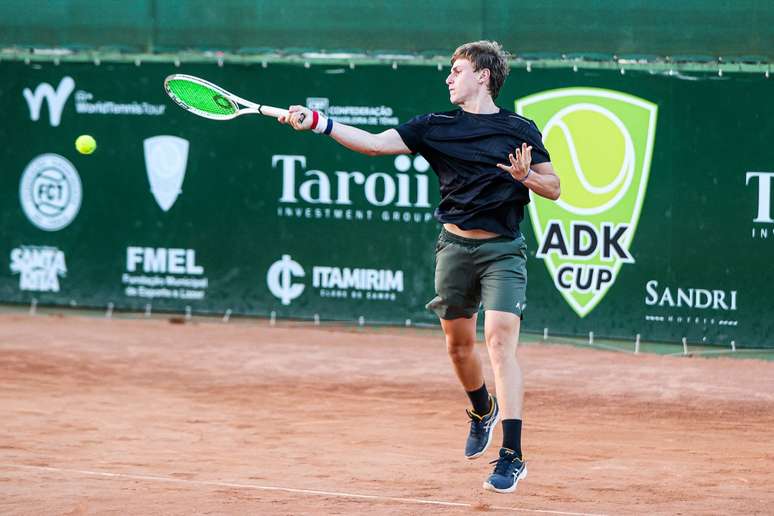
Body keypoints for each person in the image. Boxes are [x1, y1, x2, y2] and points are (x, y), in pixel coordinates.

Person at [278, 40, 560, 494]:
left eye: (458, 70)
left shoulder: (519, 129)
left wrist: (525, 177)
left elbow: (554, 187)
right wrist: (318, 123)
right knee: (458, 349)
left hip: (503, 251)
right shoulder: (434, 127)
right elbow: (372, 144)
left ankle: (512, 455)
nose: (449, 78)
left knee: (499, 342)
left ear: (483, 76)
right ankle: (480, 409)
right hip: (453, 250)